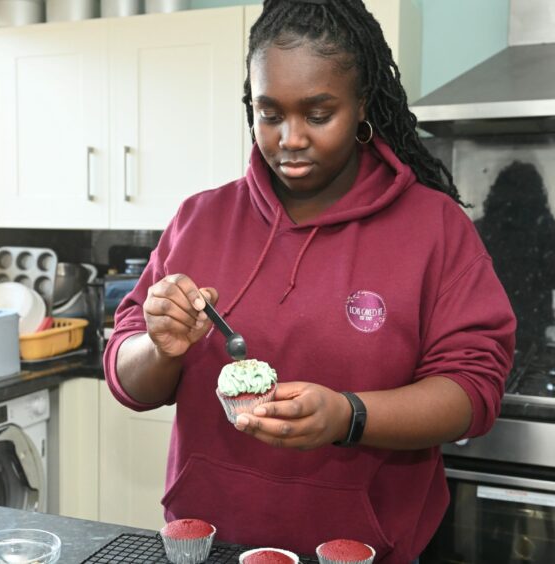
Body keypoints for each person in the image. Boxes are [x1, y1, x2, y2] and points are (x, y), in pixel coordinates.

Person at [103, 1, 515, 562]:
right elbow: (129, 380)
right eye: (269, 114)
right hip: (210, 544)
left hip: (362, 550)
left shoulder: (434, 229)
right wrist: (159, 347)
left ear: (362, 103)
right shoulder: (199, 220)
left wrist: (349, 417)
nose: (290, 139)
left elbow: (473, 391)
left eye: (318, 114)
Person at [474, 161, 555, 355]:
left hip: (486, 329)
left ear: (496, 192)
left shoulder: (480, 229)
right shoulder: (545, 229)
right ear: (539, 195)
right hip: (530, 329)